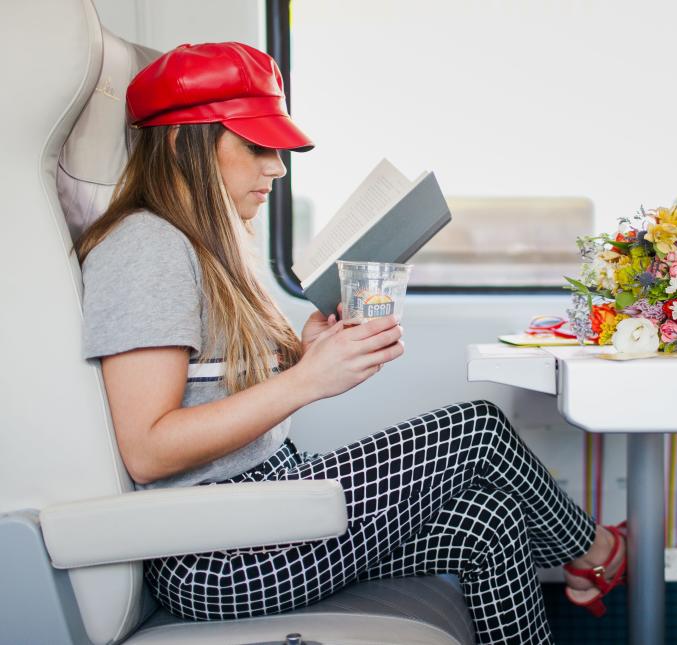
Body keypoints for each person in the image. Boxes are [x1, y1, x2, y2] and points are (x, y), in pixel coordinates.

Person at [75, 42, 626, 644]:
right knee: (478, 429)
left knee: (488, 522)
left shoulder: (209, 245)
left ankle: (589, 557)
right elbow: (149, 449)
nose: (278, 168)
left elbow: (212, 390)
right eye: (258, 146)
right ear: (185, 143)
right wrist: (305, 381)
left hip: (270, 507)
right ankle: (597, 551)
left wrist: (306, 356)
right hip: (215, 548)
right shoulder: (146, 247)